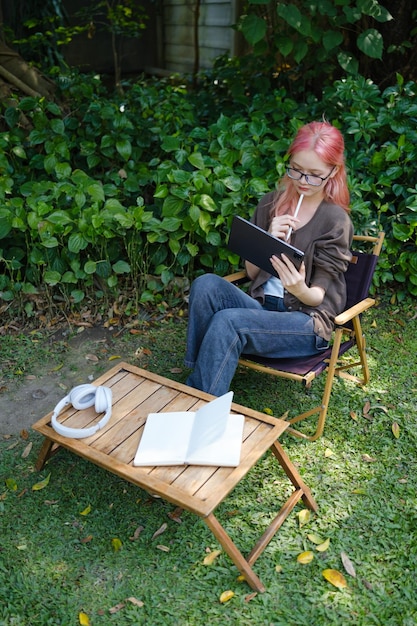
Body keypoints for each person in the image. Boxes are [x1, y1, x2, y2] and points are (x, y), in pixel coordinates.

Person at [184, 121, 354, 396]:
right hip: (263, 308)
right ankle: (200, 371)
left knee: (228, 321)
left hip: (305, 321)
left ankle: (200, 399)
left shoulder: (335, 220)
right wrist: (268, 238)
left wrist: (298, 288)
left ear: (333, 172)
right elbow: (252, 274)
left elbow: (317, 297)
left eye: (314, 175)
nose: (303, 181)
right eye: (297, 170)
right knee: (205, 285)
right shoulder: (270, 203)